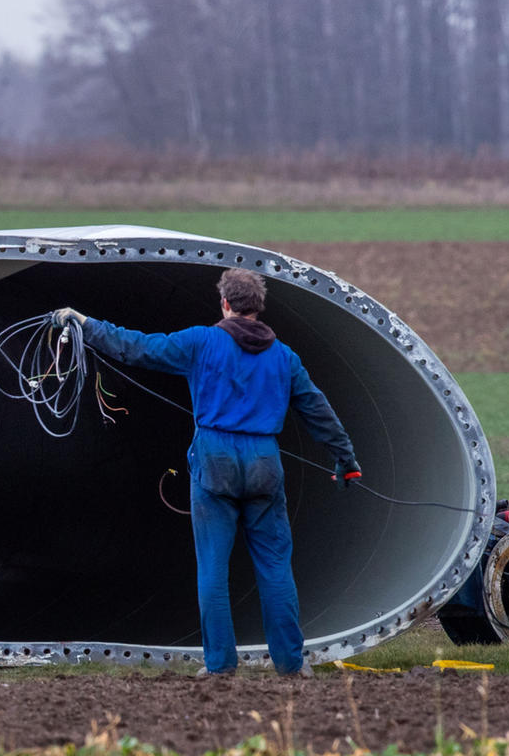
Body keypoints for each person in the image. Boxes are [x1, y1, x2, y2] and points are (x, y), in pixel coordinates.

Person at [54, 269, 361, 679]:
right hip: (264, 461)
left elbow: (137, 348)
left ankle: (220, 666)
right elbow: (318, 410)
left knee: (213, 567)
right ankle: (291, 663)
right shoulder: (286, 357)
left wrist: (87, 325)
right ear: (259, 307)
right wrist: (346, 461)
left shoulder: (200, 341)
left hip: (214, 457)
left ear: (226, 304)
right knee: (274, 566)